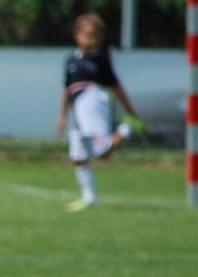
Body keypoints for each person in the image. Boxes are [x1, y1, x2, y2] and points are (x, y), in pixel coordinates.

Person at [57, 12, 144, 212]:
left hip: (93, 102)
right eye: (88, 34)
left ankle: (127, 128)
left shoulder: (100, 60)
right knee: (77, 155)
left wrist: (131, 111)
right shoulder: (70, 60)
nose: (92, 39)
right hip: (78, 109)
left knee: (102, 152)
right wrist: (62, 115)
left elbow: (117, 87)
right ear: (77, 35)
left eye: (96, 35)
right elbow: (66, 90)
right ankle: (89, 197)